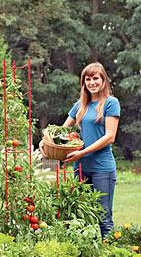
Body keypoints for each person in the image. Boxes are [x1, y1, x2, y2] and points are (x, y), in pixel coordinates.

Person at [41, 62, 120, 238]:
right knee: (82, 214)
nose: (92, 83)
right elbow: (60, 131)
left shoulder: (110, 103)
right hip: (81, 167)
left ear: (103, 80)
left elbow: (109, 137)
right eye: (88, 79)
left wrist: (82, 152)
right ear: (84, 83)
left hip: (102, 168)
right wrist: (45, 143)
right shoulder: (80, 105)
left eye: (95, 78)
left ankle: (109, 250)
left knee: (103, 215)